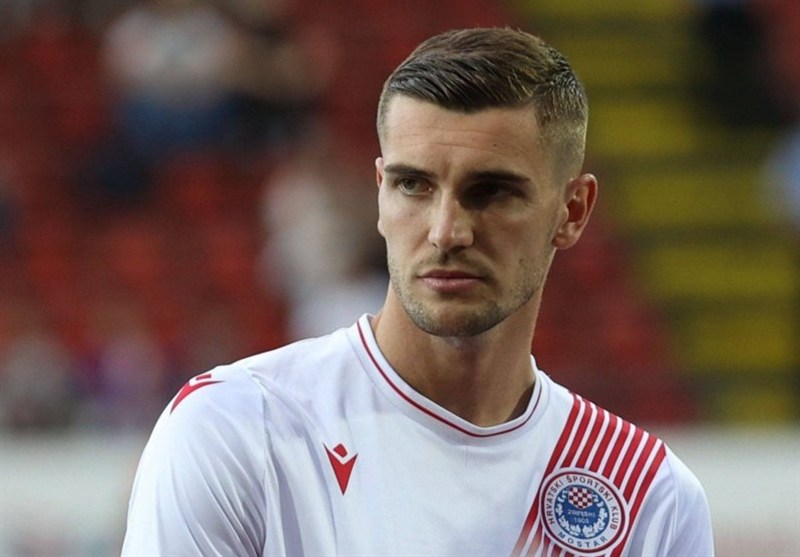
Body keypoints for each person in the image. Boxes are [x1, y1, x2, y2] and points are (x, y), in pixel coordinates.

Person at [122, 28, 714, 556]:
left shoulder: (647, 499)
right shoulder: (238, 431)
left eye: (491, 192)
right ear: (380, 193)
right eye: (414, 186)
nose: (447, 231)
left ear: (573, 210)